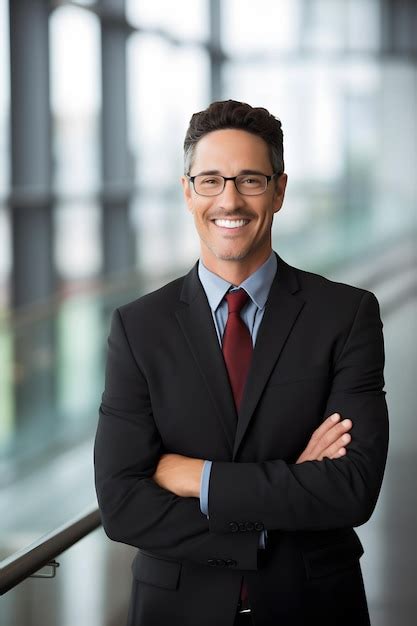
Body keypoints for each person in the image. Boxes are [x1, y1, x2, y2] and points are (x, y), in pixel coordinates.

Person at [94, 100, 389, 626]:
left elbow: (351, 489)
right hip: (176, 611)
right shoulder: (138, 328)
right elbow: (121, 503)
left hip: (315, 607)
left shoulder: (346, 315)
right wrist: (281, 502)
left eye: (250, 180)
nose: (229, 199)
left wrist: (198, 477)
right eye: (210, 180)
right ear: (188, 192)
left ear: (279, 190)